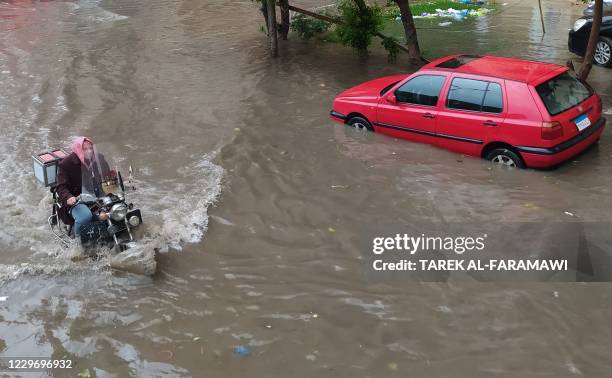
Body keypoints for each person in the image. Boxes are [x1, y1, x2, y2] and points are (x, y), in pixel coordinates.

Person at [56, 137, 109, 237]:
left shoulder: (99, 158)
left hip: (97, 195)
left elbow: (108, 175)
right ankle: (78, 244)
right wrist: (68, 197)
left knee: (117, 207)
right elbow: (61, 187)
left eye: (91, 148)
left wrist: (124, 181)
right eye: (85, 149)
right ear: (78, 149)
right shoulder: (66, 164)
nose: (89, 151)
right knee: (85, 216)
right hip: (77, 199)